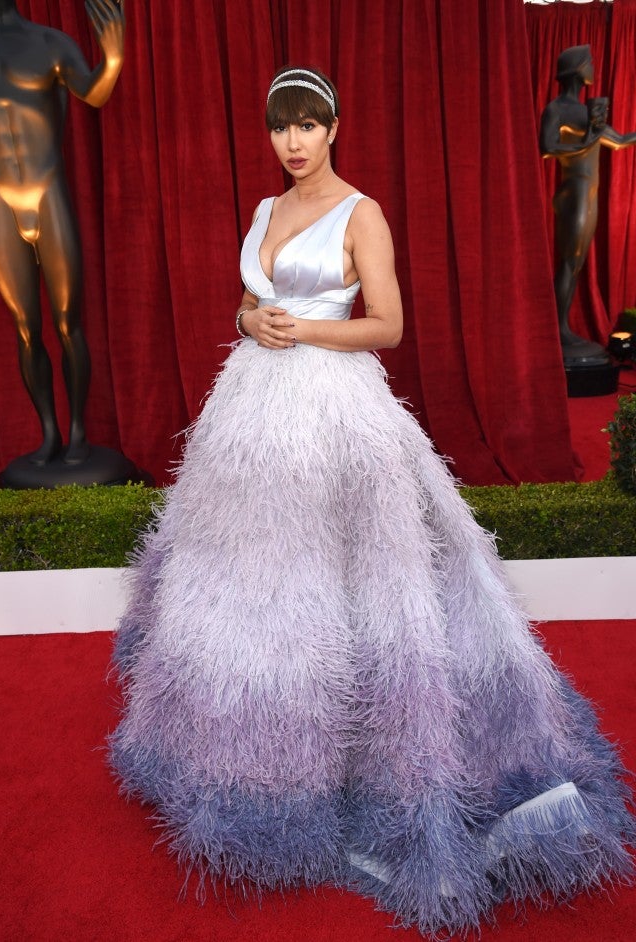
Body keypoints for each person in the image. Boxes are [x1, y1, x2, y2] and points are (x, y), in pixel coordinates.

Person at [110, 67, 634, 937]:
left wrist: (301, 327)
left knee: (350, 577)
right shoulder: (262, 212)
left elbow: (386, 324)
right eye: (281, 127)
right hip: (251, 409)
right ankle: (250, 747)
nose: (293, 141)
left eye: (308, 125)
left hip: (335, 408)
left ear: (334, 128)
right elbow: (249, 300)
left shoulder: (364, 214)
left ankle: (359, 753)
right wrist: (250, 323)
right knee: (260, 580)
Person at [0, 0, 125, 465]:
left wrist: (110, 59)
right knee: (26, 329)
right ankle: (49, 431)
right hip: (0, 203)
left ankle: (78, 432)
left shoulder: (50, 42)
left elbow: (92, 94)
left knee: (69, 323)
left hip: (47, 194)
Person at [539, 45, 636, 362]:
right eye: (590, 63)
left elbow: (620, 141)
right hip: (574, 192)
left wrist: (598, 134)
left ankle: (561, 325)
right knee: (569, 260)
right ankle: (558, 329)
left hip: (588, 193)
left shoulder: (586, 112)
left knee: (576, 262)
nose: (594, 67)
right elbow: (546, 147)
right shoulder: (559, 109)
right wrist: (589, 139)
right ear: (578, 69)